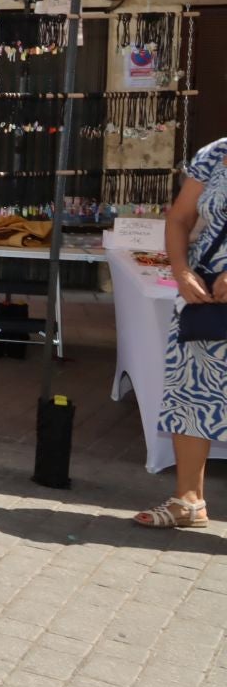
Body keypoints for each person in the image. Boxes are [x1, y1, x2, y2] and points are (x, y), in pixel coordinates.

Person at [134, 137, 227, 530]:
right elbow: (179, 218)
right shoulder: (216, 154)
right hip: (207, 294)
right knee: (193, 392)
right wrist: (181, 269)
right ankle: (189, 501)